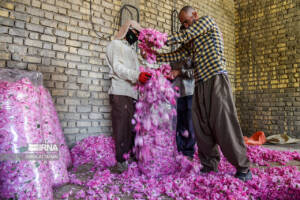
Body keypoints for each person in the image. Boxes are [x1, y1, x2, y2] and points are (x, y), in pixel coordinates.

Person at [155, 6, 252, 181]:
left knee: (223, 122)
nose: (184, 25)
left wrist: (158, 38)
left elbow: (184, 36)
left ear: (195, 15)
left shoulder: (206, 22)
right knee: (201, 126)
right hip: (200, 84)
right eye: (182, 23)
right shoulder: (191, 40)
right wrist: (156, 56)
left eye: (186, 21)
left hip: (216, 78)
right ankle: (209, 165)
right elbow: (179, 53)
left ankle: (243, 167)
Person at [106, 20, 151, 173]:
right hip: (120, 92)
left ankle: (130, 156)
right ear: (127, 30)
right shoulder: (115, 45)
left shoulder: (131, 50)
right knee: (121, 128)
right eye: (135, 33)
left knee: (132, 128)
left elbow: (137, 72)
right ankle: (120, 161)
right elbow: (118, 68)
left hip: (132, 93)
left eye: (139, 34)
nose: (137, 36)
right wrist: (137, 75)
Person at [170, 25, 196, 160]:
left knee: (190, 122)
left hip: (191, 91)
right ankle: (179, 149)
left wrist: (179, 72)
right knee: (179, 122)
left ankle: (189, 151)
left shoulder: (195, 50)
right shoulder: (176, 51)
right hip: (177, 92)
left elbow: (195, 72)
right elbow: (171, 68)